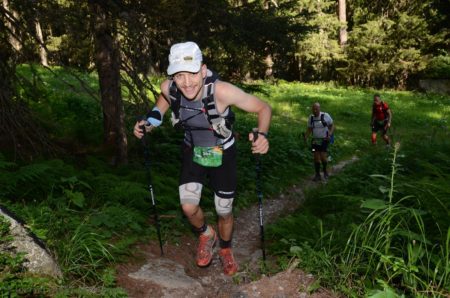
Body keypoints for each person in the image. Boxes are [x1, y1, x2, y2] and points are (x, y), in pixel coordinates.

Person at [133, 41, 271, 276]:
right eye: (179, 76)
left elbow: (263, 108)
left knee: (224, 210)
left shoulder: (222, 91)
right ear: (172, 76)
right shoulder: (169, 87)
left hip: (223, 152)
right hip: (193, 150)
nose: (186, 83)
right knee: (188, 206)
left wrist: (263, 135)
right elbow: (162, 106)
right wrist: (149, 123)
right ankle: (206, 234)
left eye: (193, 74)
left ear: (204, 70)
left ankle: (226, 249)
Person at [304, 102, 334, 181]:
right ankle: (317, 175)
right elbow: (309, 128)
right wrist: (306, 136)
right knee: (316, 157)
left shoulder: (325, 116)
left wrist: (330, 134)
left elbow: (332, 125)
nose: (314, 111)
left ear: (319, 109)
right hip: (315, 141)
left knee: (323, 157)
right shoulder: (311, 118)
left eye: (316, 109)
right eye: (313, 109)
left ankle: (325, 171)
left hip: (324, 140)